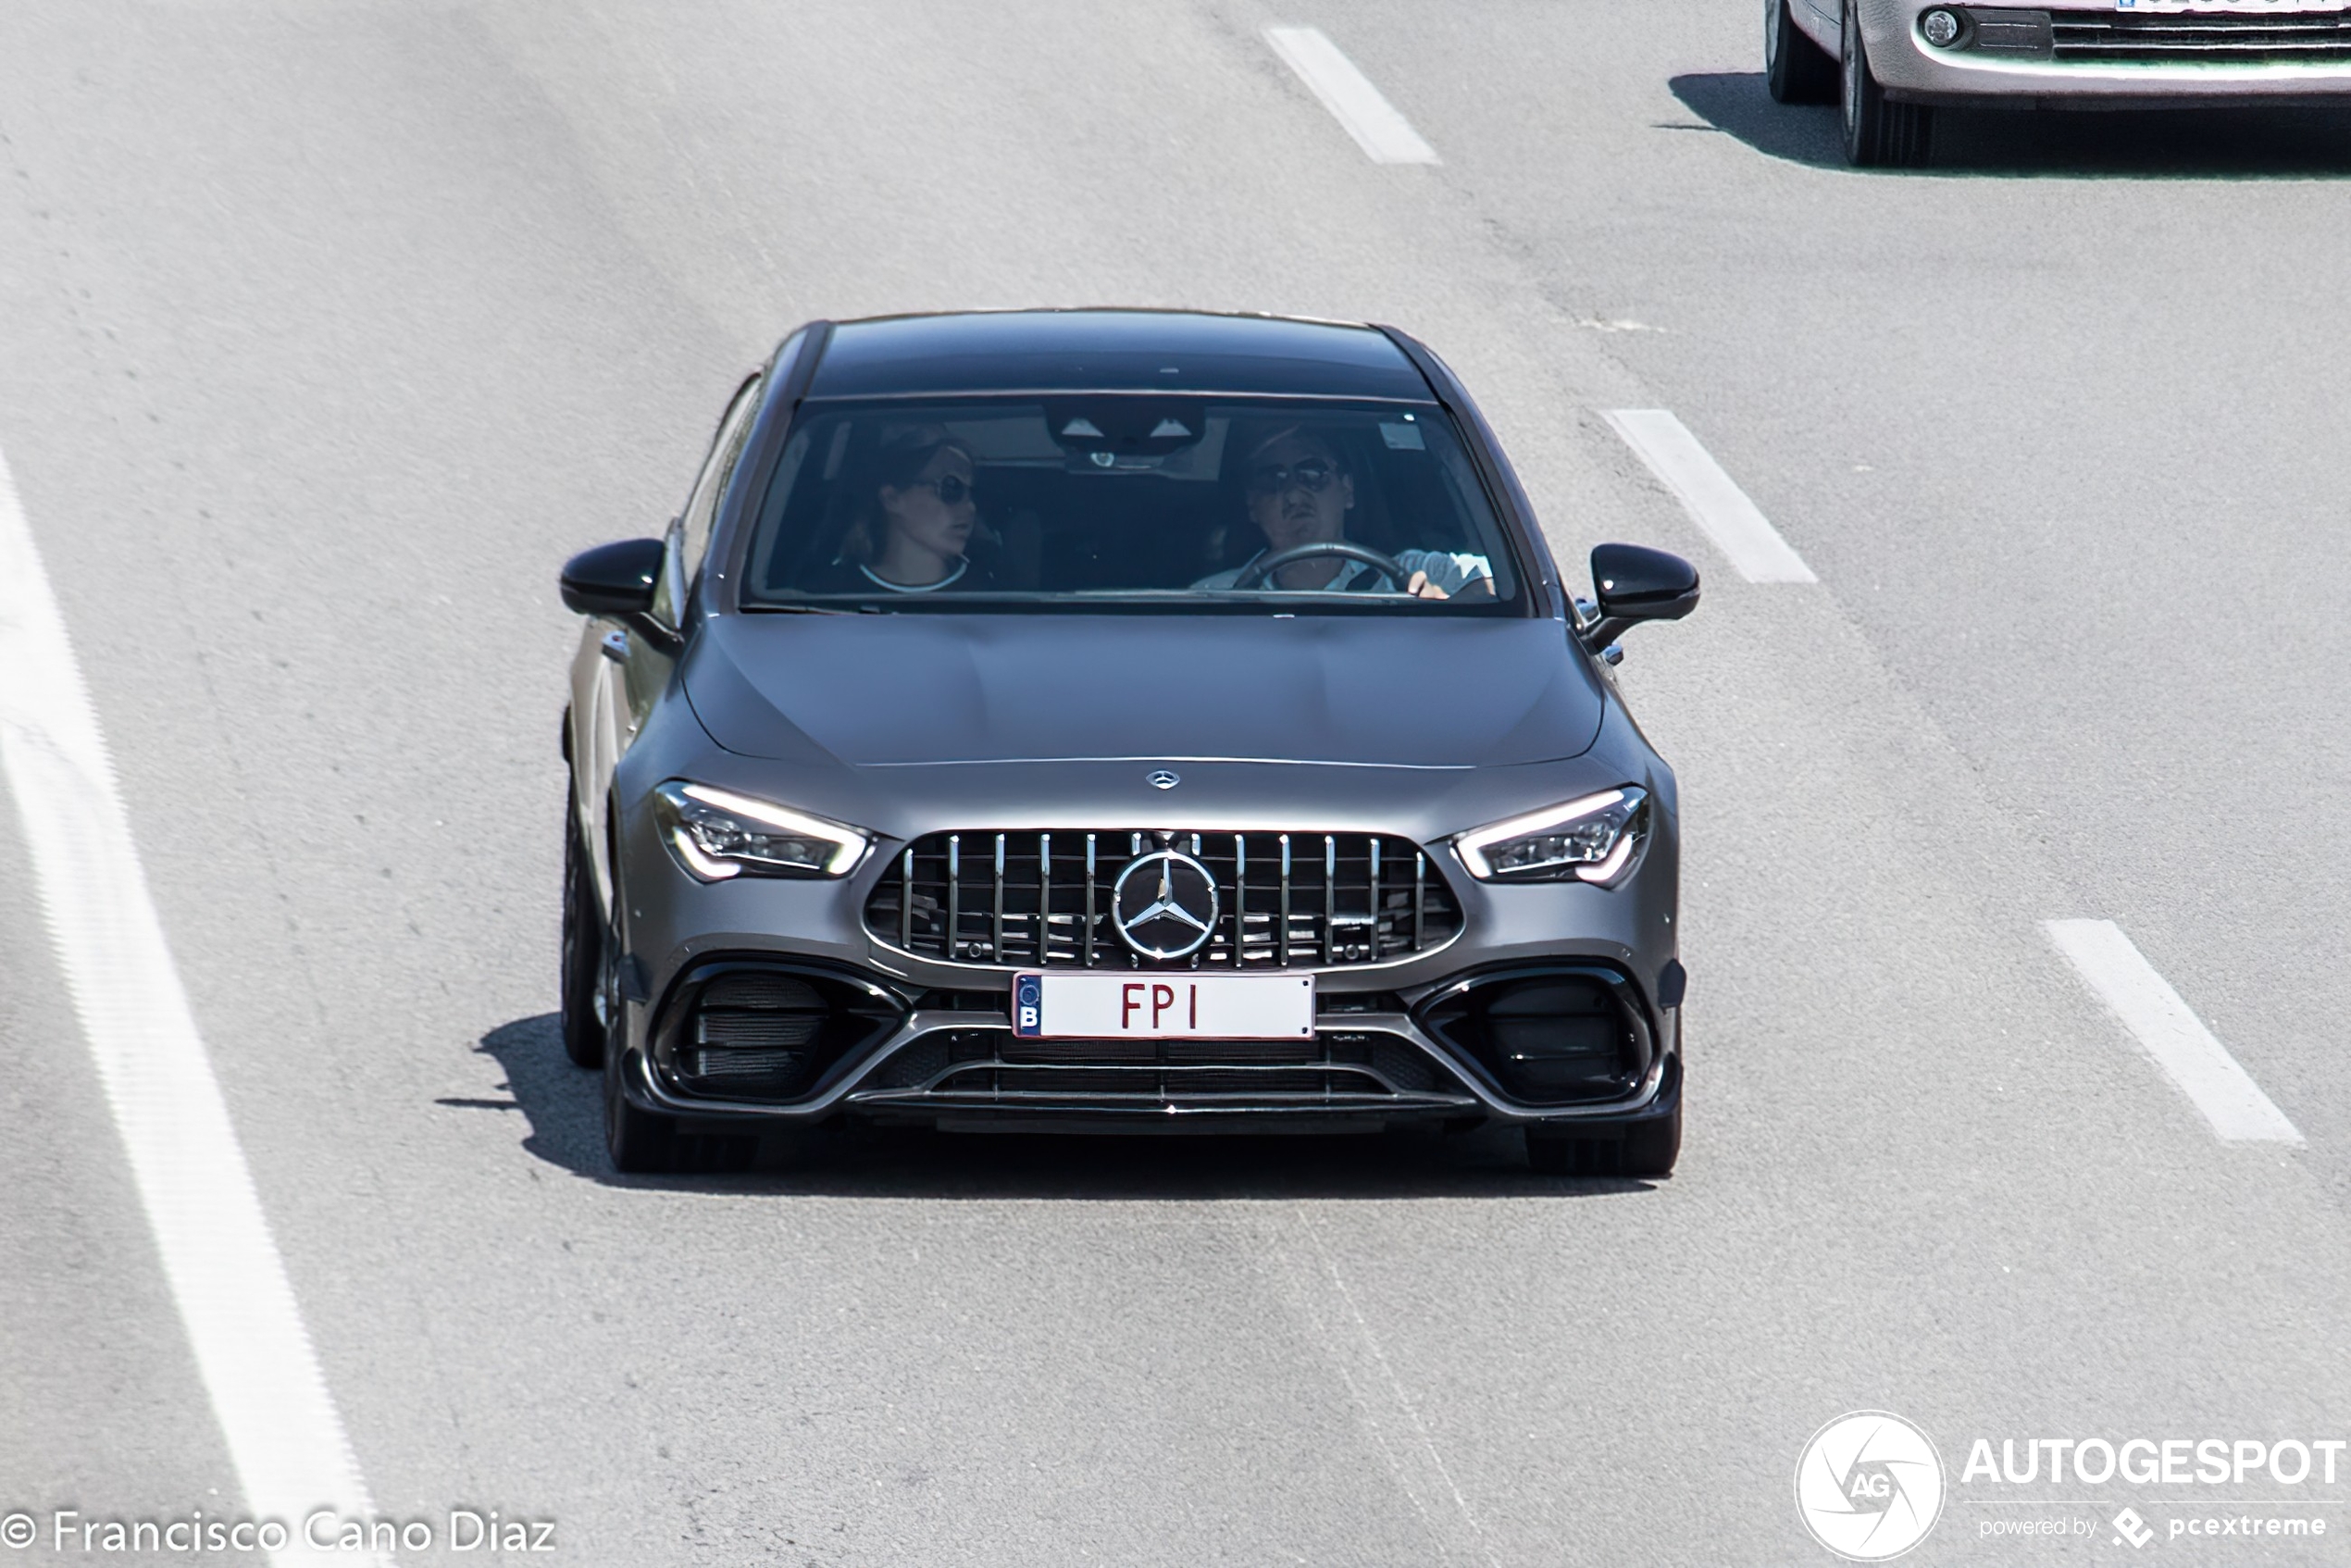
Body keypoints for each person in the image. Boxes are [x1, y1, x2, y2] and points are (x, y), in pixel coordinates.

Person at [1192, 424, 1492, 598]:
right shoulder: (1215, 597)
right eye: (1273, 480)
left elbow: (1504, 589)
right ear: (1252, 506)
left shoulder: (1416, 574)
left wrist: (1452, 607)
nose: (1294, 495)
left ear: (1347, 490)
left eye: (1312, 474)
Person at [804, 427, 994, 593]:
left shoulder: (993, 591)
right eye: (952, 488)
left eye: (973, 493)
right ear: (892, 499)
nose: (970, 507)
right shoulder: (826, 595)